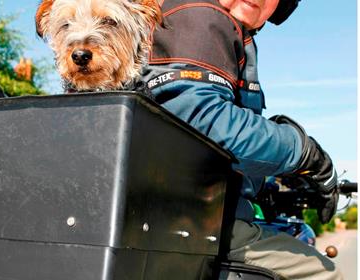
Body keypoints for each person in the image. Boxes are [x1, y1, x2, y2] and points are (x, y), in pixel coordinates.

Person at [143, 0, 342, 279]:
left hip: (181, 218)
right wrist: (306, 154)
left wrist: (266, 182)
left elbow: (200, 146)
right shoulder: (201, 15)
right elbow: (206, 122)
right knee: (326, 274)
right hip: (196, 225)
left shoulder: (217, 24)